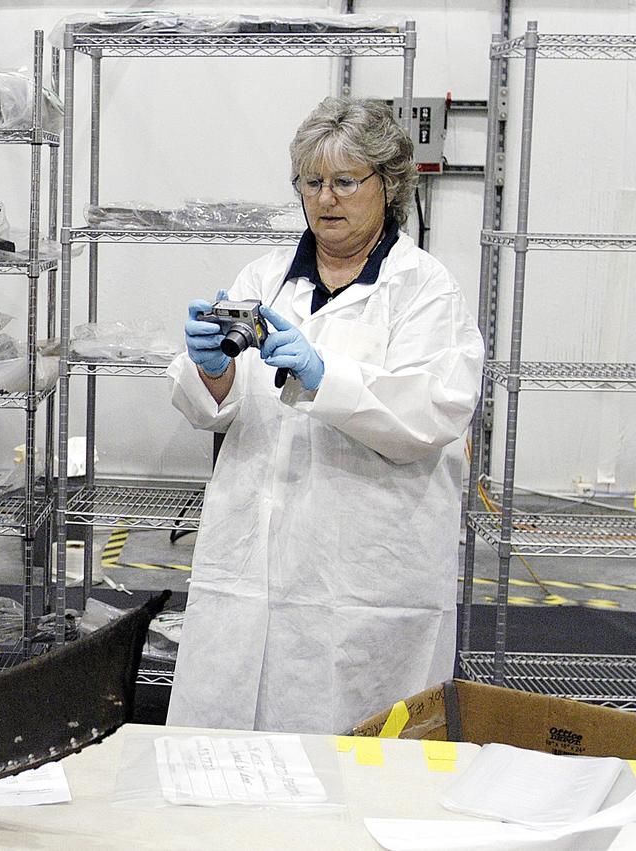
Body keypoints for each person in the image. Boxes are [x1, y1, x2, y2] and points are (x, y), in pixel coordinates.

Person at [167, 97, 484, 733]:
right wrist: (210, 367)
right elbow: (220, 408)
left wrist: (325, 376)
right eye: (311, 183)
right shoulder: (265, 278)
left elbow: (432, 413)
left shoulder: (423, 288)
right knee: (231, 751)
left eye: (344, 182)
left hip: (368, 572)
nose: (325, 200)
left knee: (356, 757)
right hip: (250, 561)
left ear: (389, 185)